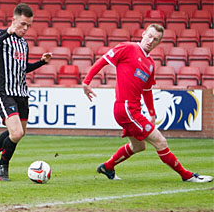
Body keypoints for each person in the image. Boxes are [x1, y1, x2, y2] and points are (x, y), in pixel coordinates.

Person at [82, 23, 212, 183]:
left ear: (159, 43)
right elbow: (103, 61)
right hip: (125, 108)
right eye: (149, 36)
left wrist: (151, 113)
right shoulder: (128, 48)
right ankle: (187, 176)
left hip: (133, 110)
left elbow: (147, 90)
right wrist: (86, 82)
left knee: (139, 146)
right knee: (160, 141)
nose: (151, 41)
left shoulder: (150, 64)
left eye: (155, 39)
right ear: (143, 34)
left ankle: (107, 167)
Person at [0, 3, 52, 181]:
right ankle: (3, 165)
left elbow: (23, 68)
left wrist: (41, 62)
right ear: (14, 21)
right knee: (16, 133)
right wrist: (7, 33)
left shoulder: (23, 44)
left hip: (22, 93)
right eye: (23, 24)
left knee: (19, 133)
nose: (25, 29)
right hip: (3, 92)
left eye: (28, 26)